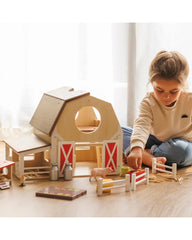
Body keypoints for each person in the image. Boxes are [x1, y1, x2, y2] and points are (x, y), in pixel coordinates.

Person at [122, 50, 192, 170]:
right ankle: (147, 156)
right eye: (159, 90)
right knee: (116, 131)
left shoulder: (189, 99)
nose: (166, 96)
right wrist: (137, 147)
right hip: (154, 137)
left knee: (181, 152)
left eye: (173, 91)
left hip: (181, 142)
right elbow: (142, 124)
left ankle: (148, 154)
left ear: (183, 85)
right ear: (152, 83)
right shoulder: (149, 101)